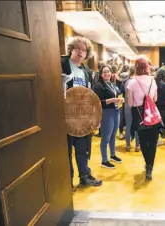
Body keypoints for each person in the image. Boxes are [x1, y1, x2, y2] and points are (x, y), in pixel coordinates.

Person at [61, 36, 102, 187]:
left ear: (87, 54)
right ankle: (67, 182)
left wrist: (94, 118)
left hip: (82, 118)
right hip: (64, 117)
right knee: (65, 153)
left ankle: (84, 176)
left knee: (82, 149)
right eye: (77, 48)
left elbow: (90, 96)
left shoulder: (86, 72)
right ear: (71, 50)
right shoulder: (61, 64)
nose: (80, 52)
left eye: (83, 50)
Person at [127, 57, 159, 180]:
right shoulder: (153, 81)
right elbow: (155, 99)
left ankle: (148, 164)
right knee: (153, 142)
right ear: (147, 68)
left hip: (139, 114)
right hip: (152, 114)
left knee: (143, 142)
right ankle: (150, 166)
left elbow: (130, 103)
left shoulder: (132, 82)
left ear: (136, 68)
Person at [94, 65, 123, 169]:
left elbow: (118, 95)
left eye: (108, 71)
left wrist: (120, 99)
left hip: (116, 111)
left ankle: (113, 155)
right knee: (106, 137)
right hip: (107, 112)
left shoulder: (112, 84)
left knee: (113, 135)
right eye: (104, 72)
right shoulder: (99, 85)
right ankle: (104, 160)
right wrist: (112, 100)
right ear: (101, 74)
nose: (107, 73)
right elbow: (97, 102)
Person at [121, 66, 140, 152]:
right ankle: (137, 146)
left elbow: (122, 93)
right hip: (137, 105)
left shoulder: (125, 81)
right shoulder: (139, 82)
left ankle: (128, 146)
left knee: (128, 125)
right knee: (137, 126)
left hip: (127, 105)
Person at [154, 68, 165, 145]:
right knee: (159, 123)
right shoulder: (164, 85)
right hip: (162, 106)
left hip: (154, 105)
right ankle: (156, 140)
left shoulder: (154, 82)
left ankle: (154, 139)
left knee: (154, 123)